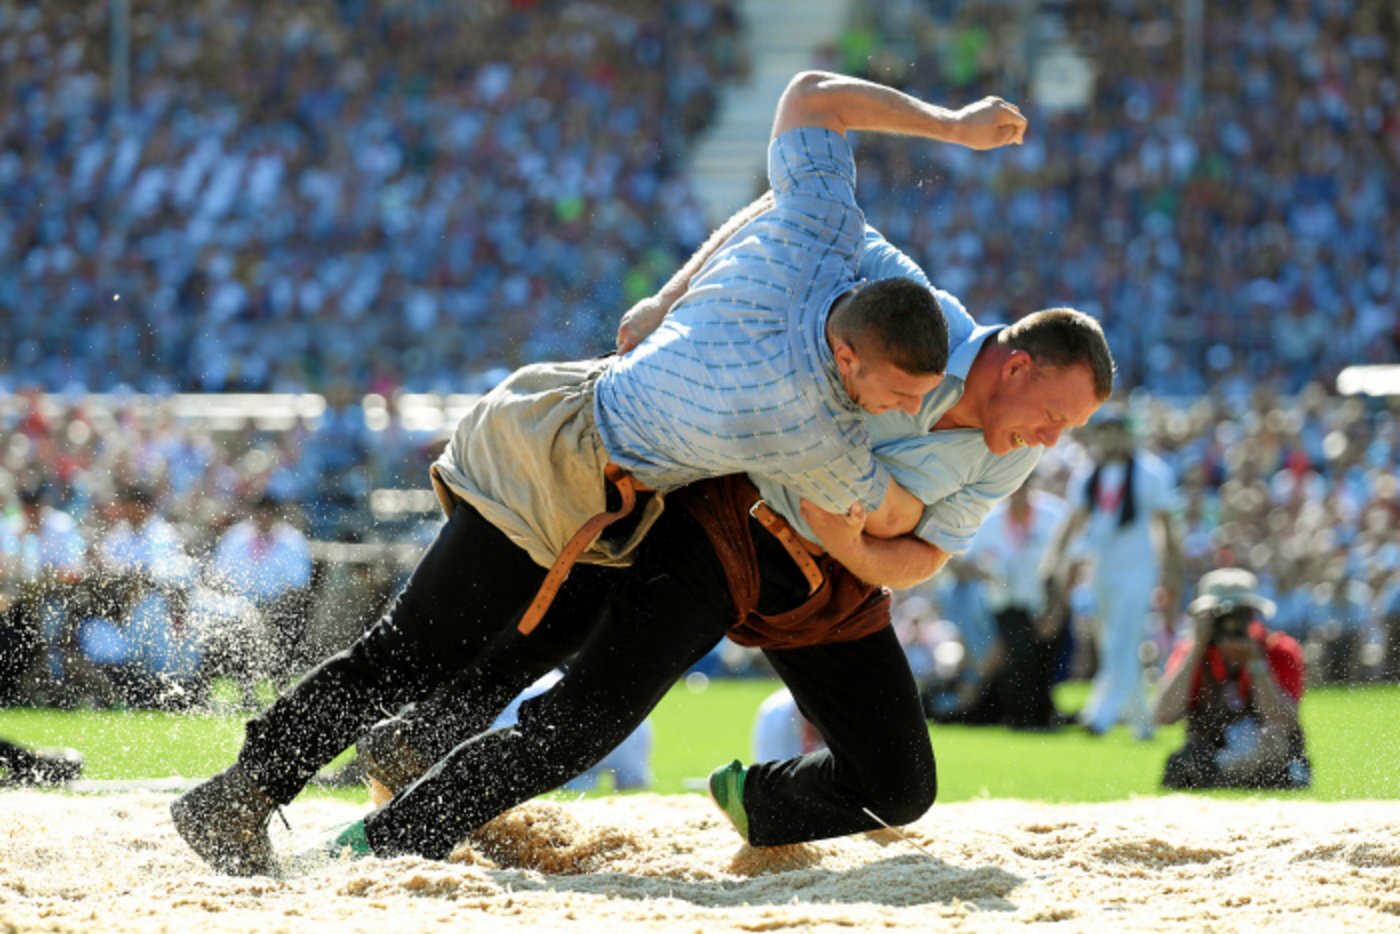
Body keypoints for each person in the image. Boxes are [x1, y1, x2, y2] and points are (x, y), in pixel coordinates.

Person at [172, 69, 1028, 876]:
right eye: (899, 394)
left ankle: (415, 743)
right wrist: (964, 486)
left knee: (544, 631)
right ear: (848, 358)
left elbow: (809, 98)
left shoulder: (818, 235)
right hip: (556, 468)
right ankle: (243, 792)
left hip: (595, 456)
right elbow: (883, 511)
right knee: (419, 648)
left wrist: (947, 125)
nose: (901, 413)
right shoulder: (800, 424)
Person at [1048, 410, 1183, 739]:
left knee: (1123, 638)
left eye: (1116, 431)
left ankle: (1100, 716)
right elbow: (1074, 519)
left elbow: (1166, 526)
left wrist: (1170, 571)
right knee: (1112, 644)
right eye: (1103, 432)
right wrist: (1056, 559)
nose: (1109, 439)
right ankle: (1142, 725)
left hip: (1138, 568)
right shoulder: (1089, 473)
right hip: (1102, 568)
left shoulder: (1151, 472)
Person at [1152, 568, 1311, 790]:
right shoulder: (1193, 653)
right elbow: (1162, 714)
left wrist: (1257, 664)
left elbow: (1284, 719)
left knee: (1274, 740)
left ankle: (1219, 776)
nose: (1230, 624)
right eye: (1220, 616)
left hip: (1264, 750)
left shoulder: (1279, 650)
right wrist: (1197, 650)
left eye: (1239, 615)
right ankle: (1234, 775)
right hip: (1215, 749)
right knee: (1192, 758)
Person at [963, 479, 1073, 729]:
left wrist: (1056, 609)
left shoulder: (1054, 515)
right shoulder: (990, 521)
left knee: (1044, 661)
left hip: (1047, 602)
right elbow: (965, 562)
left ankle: (1042, 716)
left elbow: (1073, 563)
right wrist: (986, 571)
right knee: (1021, 658)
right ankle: (1021, 716)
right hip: (1007, 603)